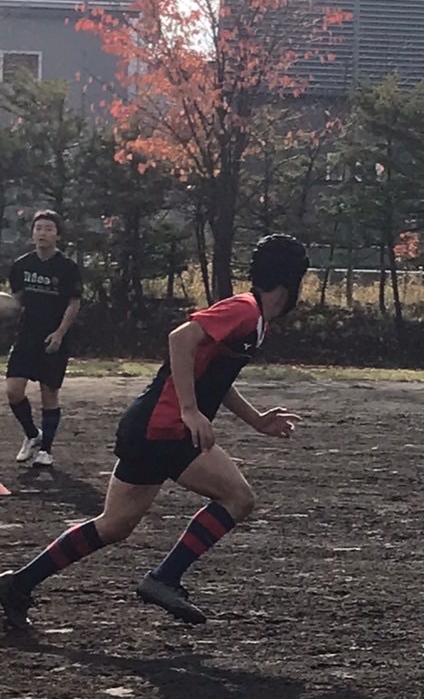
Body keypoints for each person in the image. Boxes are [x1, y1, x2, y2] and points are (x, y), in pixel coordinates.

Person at [0, 234, 310, 631]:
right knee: (238, 497)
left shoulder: (255, 319)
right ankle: (164, 578)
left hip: (149, 425)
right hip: (164, 426)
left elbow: (212, 374)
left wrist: (255, 420)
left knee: (114, 524)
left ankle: (17, 584)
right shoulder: (246, 310)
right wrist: (189, 410)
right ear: (289, 281)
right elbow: (181, 338)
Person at [6, 210, 82, 468]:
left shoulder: (68, 267)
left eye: (49, 229)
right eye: (38, 228)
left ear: (57, 235)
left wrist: (59, 334)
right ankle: (32, 435)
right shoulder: (22, 265)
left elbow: (74, 303)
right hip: (26, 336)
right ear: (32, 233)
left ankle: (45, 451)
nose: (43, 233)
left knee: (49, 394)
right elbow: (16, 302)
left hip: (53, 337)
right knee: (13, 391)